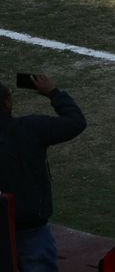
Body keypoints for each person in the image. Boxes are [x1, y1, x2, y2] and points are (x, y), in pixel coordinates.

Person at [0, 75, 87, 272]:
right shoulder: (30, 128)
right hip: (31, 228)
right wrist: (53, 93)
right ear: (7, 102)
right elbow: (75, 122)